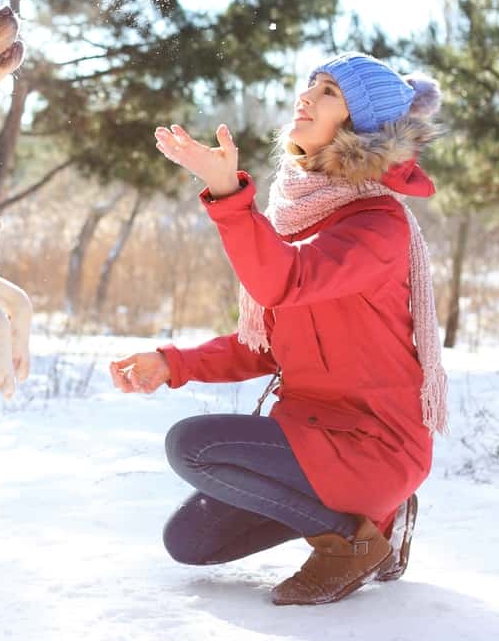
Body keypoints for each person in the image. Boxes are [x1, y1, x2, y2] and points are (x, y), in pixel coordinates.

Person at [110, 52, 447, 605]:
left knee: (193, 446)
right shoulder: (298, 215)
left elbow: (283, 281)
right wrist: (173, 364)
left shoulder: (377, 226)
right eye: (310, 85)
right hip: (311, 433)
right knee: (189, 542)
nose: (307, 97)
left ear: (359, 126)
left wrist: (227, 195)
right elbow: (262, 346)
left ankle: (353, 539)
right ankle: (372, 521)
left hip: (372, 444)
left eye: (329, 92)